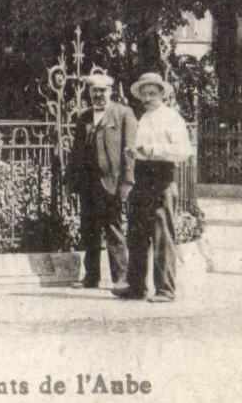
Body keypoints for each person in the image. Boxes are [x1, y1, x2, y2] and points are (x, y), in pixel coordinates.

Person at [112, 72, 193, 304]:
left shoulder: (172, 118)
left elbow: (184, 150)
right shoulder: (144, 118)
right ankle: (136, 286)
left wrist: (154, 150)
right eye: (144, 94)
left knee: (162, 235)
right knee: (137, 233)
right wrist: (134, 152)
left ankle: (165, 289)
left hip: (161, 179)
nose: (147, 98)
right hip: (142, 179)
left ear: (162, 94)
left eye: (152, 94)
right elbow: (142, 149)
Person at [64, 70, 136, 289]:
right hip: (88, 184)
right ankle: (91, 277)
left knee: (114, 230)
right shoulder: (84, 116)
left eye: (102, 91)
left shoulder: (123, 114)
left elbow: (129, 151)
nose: (98, 95)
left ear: (110, 91)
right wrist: (70, 182)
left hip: (112, 183)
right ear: (89, 92)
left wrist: (127, 182)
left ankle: (121, 279)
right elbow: (76, 152)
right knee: (89, 230)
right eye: (94, 91)